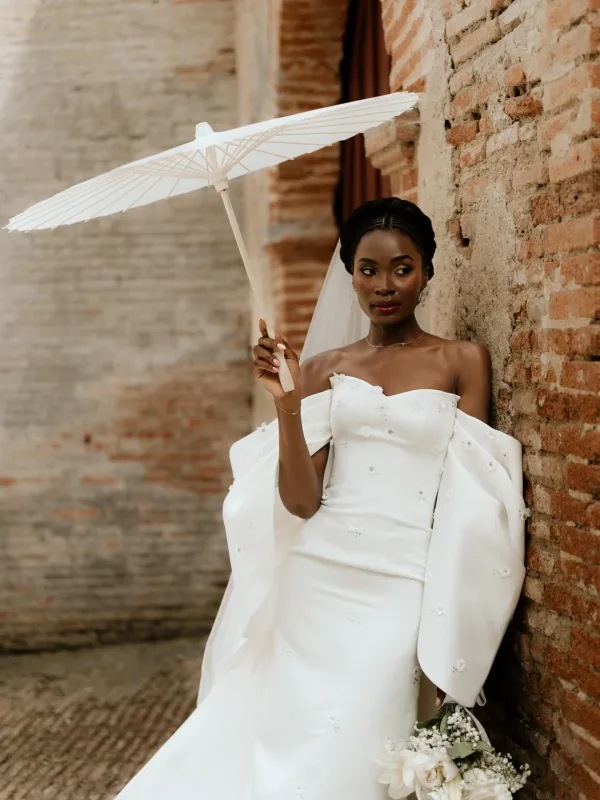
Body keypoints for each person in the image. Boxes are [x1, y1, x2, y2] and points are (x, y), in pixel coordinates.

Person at [113, 198, 526, 800]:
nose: (384, 286)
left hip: (404, 580)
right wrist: (286, 401)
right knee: (295, 735)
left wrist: (454, 609)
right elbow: (301, 502)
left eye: (402, 268)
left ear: (428, 271)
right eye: (368, 270)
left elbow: (472, 500)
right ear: (351, 275)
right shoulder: (327, 367)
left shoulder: (463, 361)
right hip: (318, 575)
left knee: (367, 733)